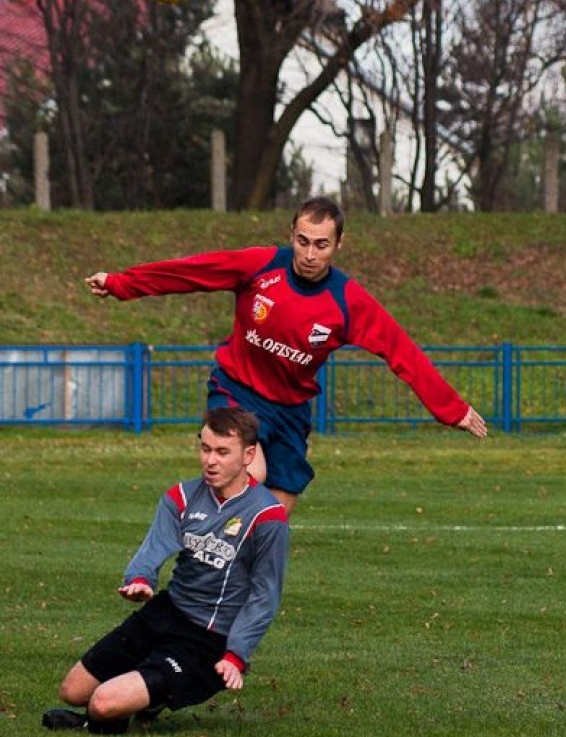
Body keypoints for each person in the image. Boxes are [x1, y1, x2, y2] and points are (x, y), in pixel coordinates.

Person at [85, 196, 487, 516]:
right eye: (302, 241)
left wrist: (450, 408)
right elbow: (191, 272)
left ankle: (224, 572)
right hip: (237, 391)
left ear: (339, 244)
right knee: (250, 470)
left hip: (291, 410)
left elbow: (402, 352)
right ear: (292, 234)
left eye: (321, 245)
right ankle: (185, 524)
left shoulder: (348, 302)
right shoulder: (260, 266)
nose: (310, 254)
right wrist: (121, 283)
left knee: (276, 511)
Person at [42, 406, 289, 734]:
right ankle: (143, 694)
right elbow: (152, 548)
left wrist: (236, 654)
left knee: (102, 703)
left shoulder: (267, 517)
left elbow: (264, 596)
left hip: (208, 640)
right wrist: (139, 580)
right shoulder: (182, 497)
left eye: (221, 452)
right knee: (72, 691)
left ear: (248, 455)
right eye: (205, 449)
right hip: (165, 612)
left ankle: (110, 716)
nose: (210, 461)